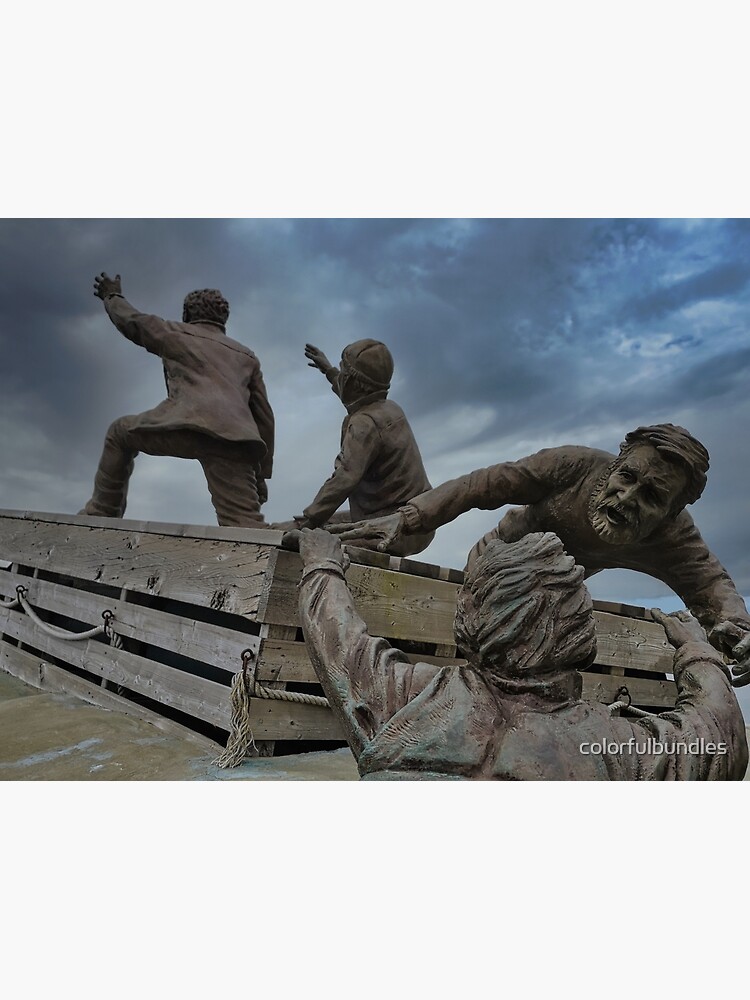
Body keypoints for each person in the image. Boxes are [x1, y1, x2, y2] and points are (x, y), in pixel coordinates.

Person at [296, 527, 748, 780]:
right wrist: (695, 650)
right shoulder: (619, 748)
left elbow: (339, 641)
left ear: (470, 620)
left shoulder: (410, 700)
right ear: (581, 632)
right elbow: (719, 736)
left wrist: (322, 564)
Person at [329, 423, 750, 683]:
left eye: (652, 495)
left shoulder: (673, 536)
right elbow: (483, 484)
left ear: (671, 512)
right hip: (496, 559)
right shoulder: (572, 465)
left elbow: (712, 585)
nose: (627, 496)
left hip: (553, 595)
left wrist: (740, 630)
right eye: (627, 476)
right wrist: (409, 517)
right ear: (616, 463)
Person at [80, 272, 275, 527]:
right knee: (246, 526)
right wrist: (260, 473)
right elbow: (264, 418)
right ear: (223, 318)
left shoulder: (176, 333)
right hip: (233, 440)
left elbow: (132, 321)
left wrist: (112, 295)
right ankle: (302, 536)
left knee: (119, 432)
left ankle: (102, 511)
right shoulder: (246, 356)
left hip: (187, 427)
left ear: (187, 314)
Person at [287, 340, 433, 556]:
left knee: (314, 541)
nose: (341, 378)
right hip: (418, 522)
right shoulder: (388, 408)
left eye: (344, 373)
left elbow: (344, 478)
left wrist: (309, 522)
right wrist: (328, 369)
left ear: (355, 383)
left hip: (395, 529)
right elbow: (353, 393)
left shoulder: (365, 423)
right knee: (315, 525)